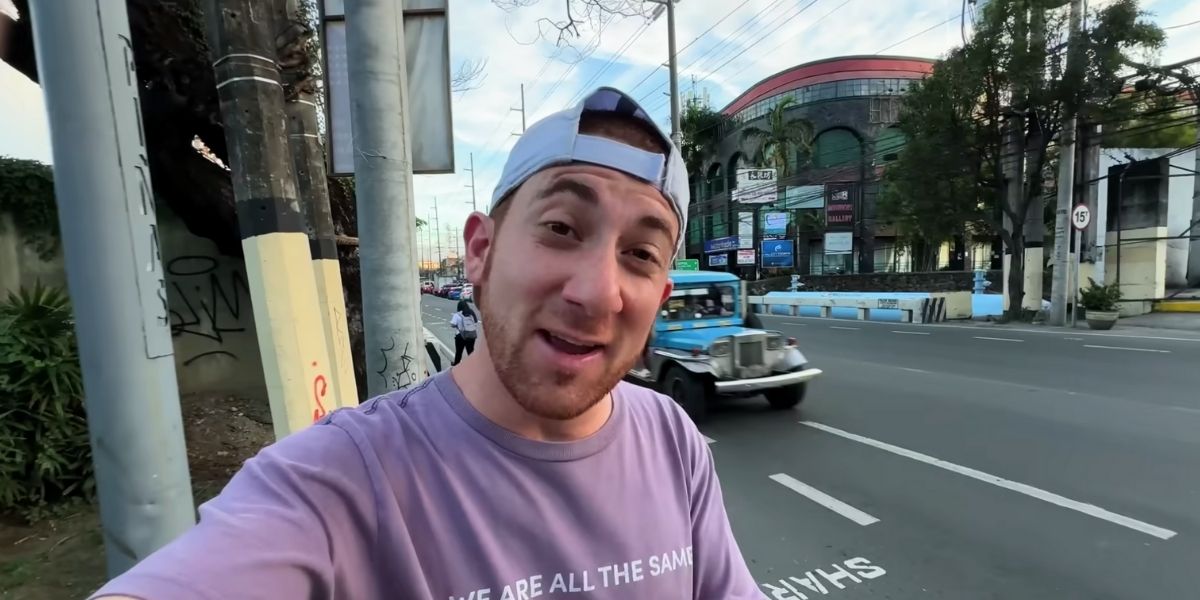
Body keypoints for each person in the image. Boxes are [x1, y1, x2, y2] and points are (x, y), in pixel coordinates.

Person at [90, 87, 763, 599]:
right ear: (481, 251)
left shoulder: (673, 442)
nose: (596, 291)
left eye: (641, 254)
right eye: (561, 227)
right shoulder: (343, 481)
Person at [450, 299, 479, 365]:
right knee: (470, 351)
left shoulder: (457, 314)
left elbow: (452, 324)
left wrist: (457, 325)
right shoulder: (471, 312)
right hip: (471, 334)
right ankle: (473, 365)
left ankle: (456, 365)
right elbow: (476, 322)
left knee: (459, 352)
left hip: (460, 336)